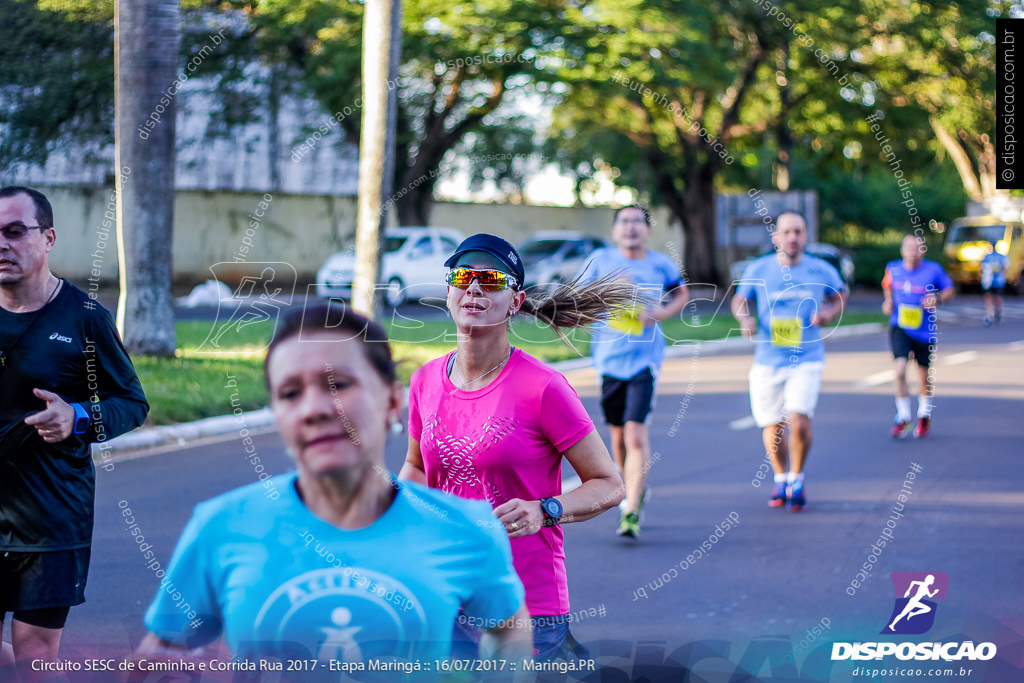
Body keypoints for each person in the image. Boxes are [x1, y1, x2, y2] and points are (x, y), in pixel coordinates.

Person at [138, 302, 532, 670]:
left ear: (394, 402)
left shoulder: (467, 529)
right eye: (290, 393)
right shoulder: (219, 527)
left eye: (339, 385)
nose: (314, 409)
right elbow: (162, 653)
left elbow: (508, 627)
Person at [400, 233, 627, 662]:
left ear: (516, 301)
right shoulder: (424, 381)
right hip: (445, 597)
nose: (474, 288)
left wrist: (546, 510)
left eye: (490, 279)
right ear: (448, 291)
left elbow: (609, 483)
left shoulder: (542, 387)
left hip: (527, 607)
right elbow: (415, 468)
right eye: (463, 276)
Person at [0, 186, 149, 679]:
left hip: (51, 516)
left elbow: (132, 402)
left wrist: (78, 417)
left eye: (14, 231)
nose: (2, 244)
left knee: (35, 660)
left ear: (48, 238)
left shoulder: (85, 319)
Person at [576, 205, 689, 538]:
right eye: (624, 222)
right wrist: (608, 292)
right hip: (609, 360)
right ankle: (632, 485)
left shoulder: (660, 264)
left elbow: (682, 292)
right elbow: (580, 298)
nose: (630, 227)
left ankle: (631, 509)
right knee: (617, 437)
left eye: (637, 222)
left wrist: (663, 312)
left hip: (645, 360)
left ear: (647, 230)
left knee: (635, 434)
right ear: (615, 231)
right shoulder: (600, 261)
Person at [730, 211, 845, 512]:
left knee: (798, 420)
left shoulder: (822, 270)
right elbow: (740, 300)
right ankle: (780, 476)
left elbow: (839, 296)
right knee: (772, 425)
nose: (793, 237)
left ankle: (797, 477)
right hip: (768, 359)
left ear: (806, 236)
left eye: (799, 231)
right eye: (787, 232)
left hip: (806, 357)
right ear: (776, 237)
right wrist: (745, 319)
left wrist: (828, 314)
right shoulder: (759, 268)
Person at [881, 234, 954, 438]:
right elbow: (887, 285)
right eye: (909, 248)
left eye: (917, 248)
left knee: (923, 375)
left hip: (925, 331)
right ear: (902, 250)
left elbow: (949, 290)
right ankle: (903, 417)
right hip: (900, 327)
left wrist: (937, 298)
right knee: (899, 369)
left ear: (922, 251)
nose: (913, 252)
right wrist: (888, 302)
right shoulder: (893, 268)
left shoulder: (933, 270)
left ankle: (924, 414)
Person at [981, 241, 1008, 326]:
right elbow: (983, 267)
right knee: (988, 296)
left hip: (998, 281)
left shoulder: (1001, 256)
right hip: (989, 281)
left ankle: (998, 311)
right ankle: (990, 315)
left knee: (998, 298)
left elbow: (1004, 267)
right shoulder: (987, 256)